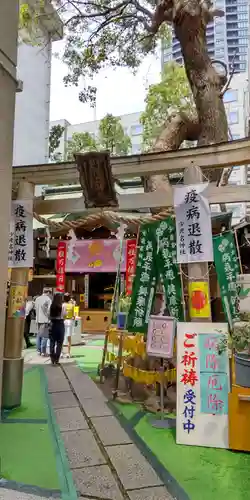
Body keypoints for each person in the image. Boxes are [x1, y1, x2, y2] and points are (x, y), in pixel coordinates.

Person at [49, 293, 66, 365]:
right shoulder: (62, 306)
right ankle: (57, 359)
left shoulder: (51, 306)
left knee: (52, 341)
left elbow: (48, 315)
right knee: (59, 342)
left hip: (52, 324)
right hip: (60, 324)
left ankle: (52, 357)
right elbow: (64, 315)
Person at [35, 287, 52, 356]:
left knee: (39, 335)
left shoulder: (37, 299)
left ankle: (38, 350)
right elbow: (49, 311)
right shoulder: (48, 299)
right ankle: (43, 351)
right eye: (50, 293)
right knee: (45, 336)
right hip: (45, 319)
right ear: (48, 292)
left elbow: (35, 308)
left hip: (38, 319)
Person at [63, 293, 75, 358]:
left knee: (62, 336)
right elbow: (73, 316)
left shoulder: (62, 305)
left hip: (63, 321)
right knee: (69, 337)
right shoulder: (72, 305)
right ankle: (68, 353)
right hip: (69, 321)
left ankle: (61, 352)